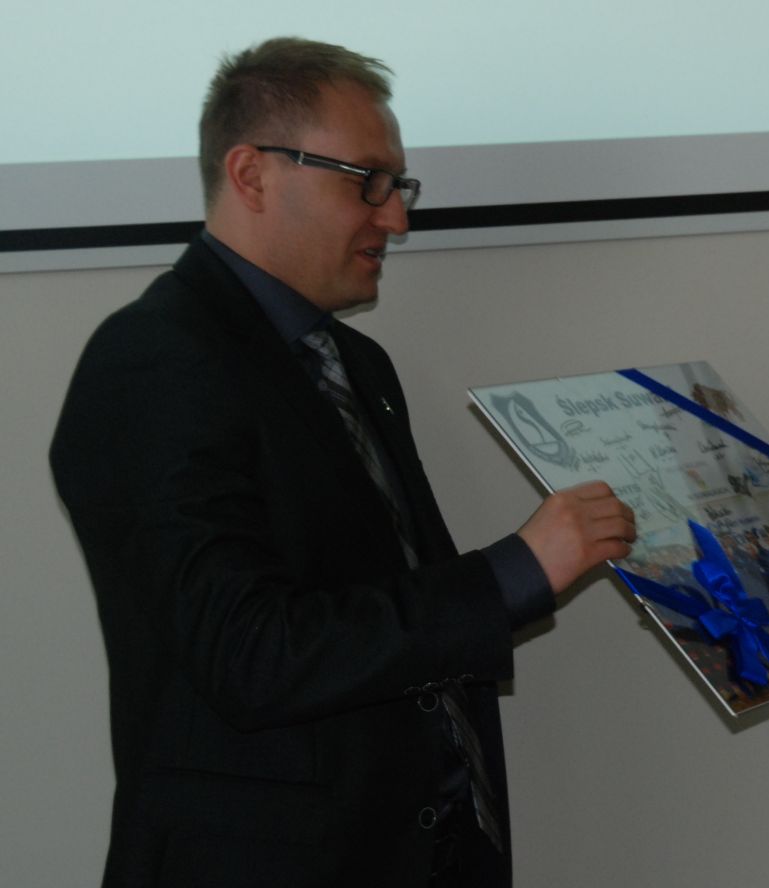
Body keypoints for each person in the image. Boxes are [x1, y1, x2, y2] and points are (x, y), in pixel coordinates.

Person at [49, 37, 635, 887]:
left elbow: (386, 617)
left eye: (399, 186)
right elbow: (249, 654)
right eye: (367, 181)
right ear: (252, 175)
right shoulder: (151, 361)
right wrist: (511, 574)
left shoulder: (356, 363)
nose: (395, 219)